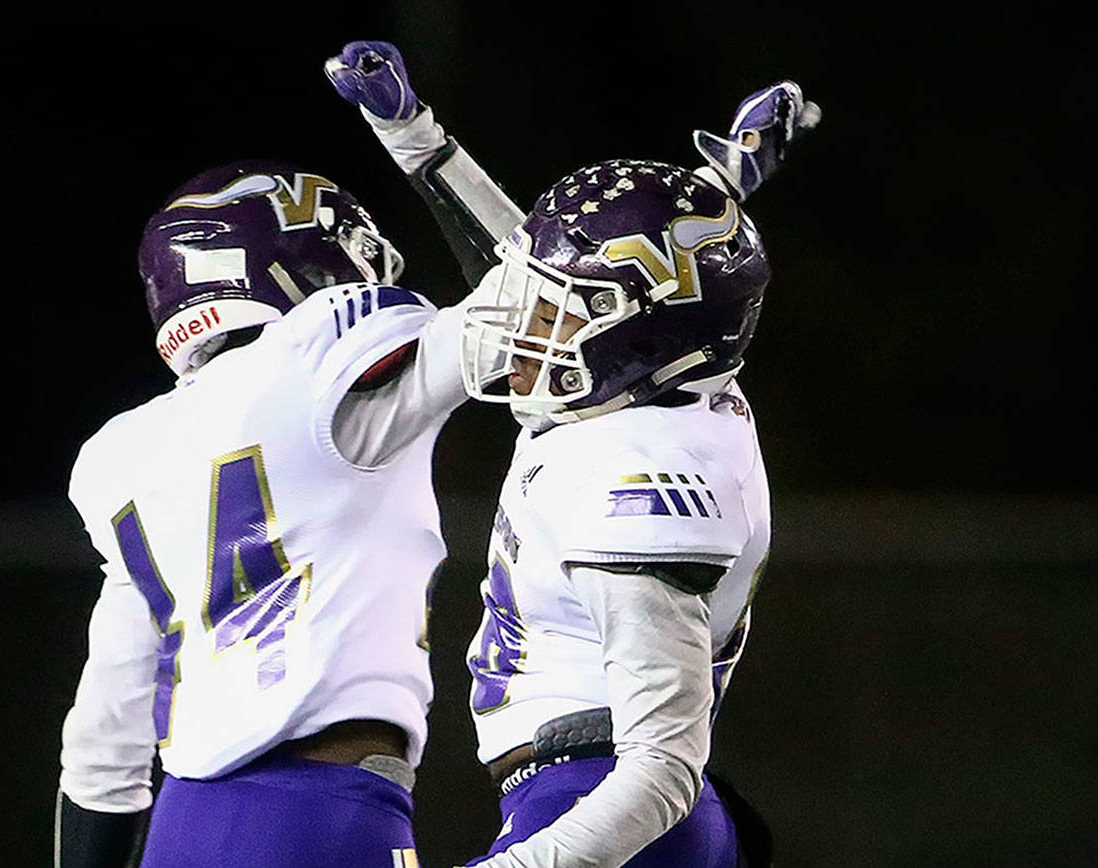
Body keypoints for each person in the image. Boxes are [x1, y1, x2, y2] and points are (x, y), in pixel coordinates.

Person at [327, 40, 818, 867]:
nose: (524, 326)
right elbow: (632, 269)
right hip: (607, 805)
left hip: (607, 811)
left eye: (562, 313)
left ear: (644, 334)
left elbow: (662, 769)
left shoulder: (644, 477)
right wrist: (416, 137)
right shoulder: (661, 380)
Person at [54, 158, 511, 866]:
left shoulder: (119, 453)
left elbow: (102, 749)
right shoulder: (322, 345)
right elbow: (533, 312)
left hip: (184, 825)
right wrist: (424, 146)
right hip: (320, 815)